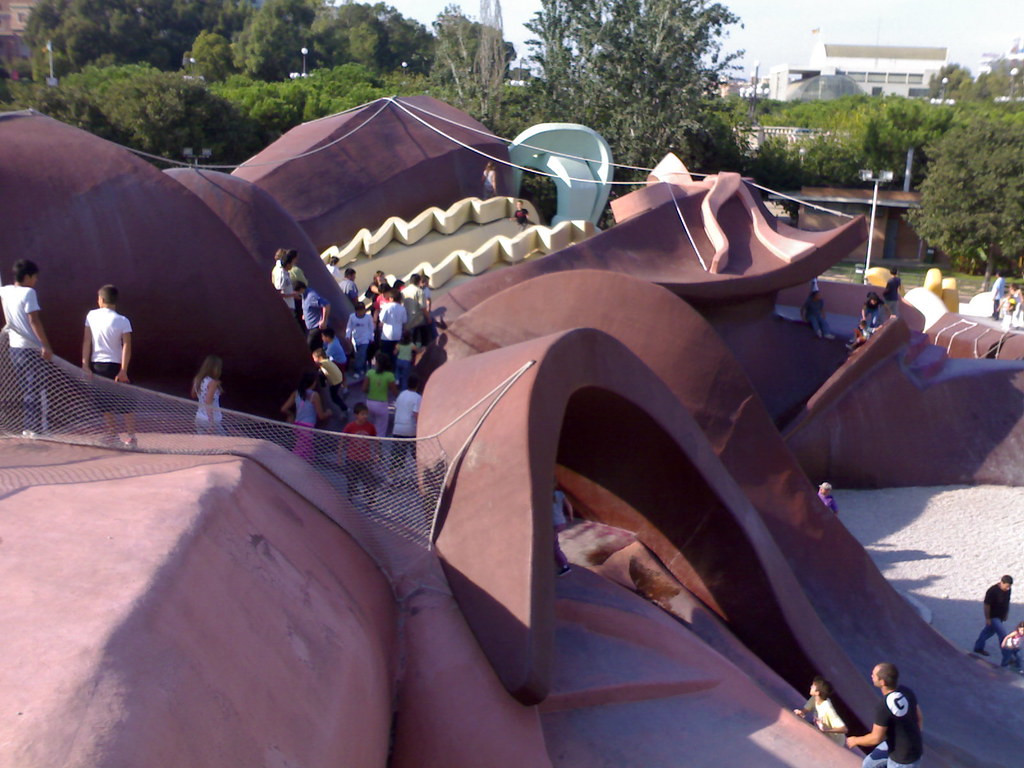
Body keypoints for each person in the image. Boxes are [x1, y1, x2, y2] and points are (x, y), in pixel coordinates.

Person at [1, 259, 53, 437]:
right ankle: (34, 428)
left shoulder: (6, 291)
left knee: (26, 389)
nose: (36, 281)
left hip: (14, 348)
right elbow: (34, 320)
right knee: (35, 388)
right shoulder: (29, 292)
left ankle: (29, 427)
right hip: (30, 347)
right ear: (28, 276)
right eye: (35, 277)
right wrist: (45, 345)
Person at [82, 284, 136, 447]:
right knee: (126, 403)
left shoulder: (91, 315)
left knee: (105, 403)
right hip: (117, 364)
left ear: (101, 299)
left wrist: (85, 363)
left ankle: (113, 434)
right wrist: (123, 370)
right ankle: (131, 436)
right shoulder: (123, 320)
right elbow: (127, 345)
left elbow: (86, 340)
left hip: (98, 365)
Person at [847, 662, 923, 768]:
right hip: (902, 746)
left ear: (882, 682)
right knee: (868, 765)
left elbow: (875, 738)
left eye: (874, 675)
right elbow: (919, 718)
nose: (871, 675)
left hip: (902, 761)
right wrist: (912, 739)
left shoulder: (883, 706)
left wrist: (855, 740)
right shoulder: (907, 691)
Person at [280, 370, 329, 460]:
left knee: (308, 452)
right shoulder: (314, 395)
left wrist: (291, 415)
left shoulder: (296, 393)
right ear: (313, 382)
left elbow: (284, 409)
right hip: (307, 428)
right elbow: (321, 416)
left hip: (297, 426)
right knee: (300, 453)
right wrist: (328, 413)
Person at [792, 676, 847, 746]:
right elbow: (805, 711)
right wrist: (801, 712)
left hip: (835, 741)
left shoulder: (828, 709)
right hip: (821, 730)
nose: (811, 686)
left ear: (817, 692)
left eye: (813, 686)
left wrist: (825, 730)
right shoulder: (814, 698)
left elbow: (844, 729)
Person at [340, 403, 377, 502]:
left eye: (366, 414)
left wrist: (377, 454)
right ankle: (350, 497)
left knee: (369, 479)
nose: (365, 416)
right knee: (352, 479)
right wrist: (339, 456)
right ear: (356, 415)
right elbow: (342, 439)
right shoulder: (350, 426)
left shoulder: (370, 427)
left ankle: (370, 497)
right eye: (362, 414)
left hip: (365, 458)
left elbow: (376, 440)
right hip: (352, 458)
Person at [973, 575, 1013, 656]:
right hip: (993, 617)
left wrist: (1006, 614)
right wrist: (987, 618)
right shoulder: (992, 591)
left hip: (1000, 616)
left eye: (1009, 586)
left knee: (988, 632)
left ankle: (978, 648)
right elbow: (986, 605)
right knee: (1003, 635)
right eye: (1006, 586)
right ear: (1001, 582)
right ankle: (1007, 656)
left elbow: (1007, 602)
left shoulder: (1008, 590)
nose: (1008, 588)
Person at [390, 372, 421, 476]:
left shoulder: (401, 394)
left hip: (397, 428)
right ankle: (419, 477)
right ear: (417, 385)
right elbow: (416, 413)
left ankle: (391, 477)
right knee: (416, 455)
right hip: (410, 429)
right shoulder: (417, 397)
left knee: (396, 456)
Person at [363, 352, 397, 438]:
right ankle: (378, 448)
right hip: (382, 404)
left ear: (377, 363)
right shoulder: (389, 375)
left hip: (370, 402)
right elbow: (395, 392)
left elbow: (364, 389)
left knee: (370, 425)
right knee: (381, 430)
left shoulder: (370, 373)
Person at [191, 354, 224, 435]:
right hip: (212, 419)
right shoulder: (213, 382)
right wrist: (211, 422)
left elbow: (193, 395)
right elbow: (208, 401)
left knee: (202, 444)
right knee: (223, 443)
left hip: (199, 417)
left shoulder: (198, 379)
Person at [312, 347, 347, 417]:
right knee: (320, 374)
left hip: (335, 382)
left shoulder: (323, 363)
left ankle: (344, 409)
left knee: (334, 397)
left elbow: (315, 365)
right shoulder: (327, 361)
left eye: (314, 358)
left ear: (319, 358)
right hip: (338, 379)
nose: (313, 360)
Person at [346, 302, 374, 380]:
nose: (361, 312)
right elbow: (349, 327)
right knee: (358, 355)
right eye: (359, 311)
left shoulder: (368, 317)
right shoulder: (352, 317)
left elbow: (371, 328)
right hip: (355, 339)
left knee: (361, 354)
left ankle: (358, 371)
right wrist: (348, 336)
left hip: (365, 339)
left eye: (362, 310)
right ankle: (363, 368)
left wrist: (371, 338)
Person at [378, 288, 407, 360]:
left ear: (391, 298)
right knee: (396, 355)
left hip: (387, 335)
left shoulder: (386, 307)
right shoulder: (402, 308)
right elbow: (404, 320)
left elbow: (382, 319)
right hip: (398, 334)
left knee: (386, 356)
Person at [552, 486, 574, 576]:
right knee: (554, 544)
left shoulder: (544, 495)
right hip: (561, 522)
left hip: (553, 524)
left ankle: (565, 566)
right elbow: (569, 505)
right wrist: (571, 516)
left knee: (553, 547)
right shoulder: (560, 494)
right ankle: (563, 564)